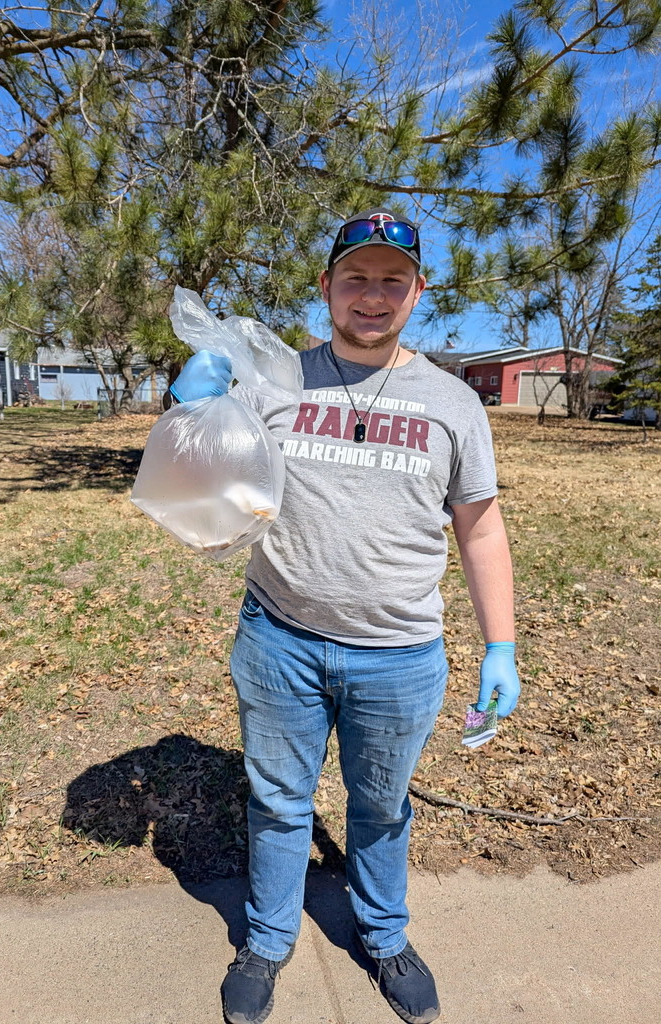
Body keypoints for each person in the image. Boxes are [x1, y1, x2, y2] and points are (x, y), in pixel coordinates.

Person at [168, 209, 520, 1024]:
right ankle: (265, 938)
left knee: (380, 806)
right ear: (325, 287)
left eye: (391, 280)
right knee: (279, 802)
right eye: (355, 277)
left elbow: (480, 524)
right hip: (277, 641)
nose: (372, 295)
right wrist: (186, 402)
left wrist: (499, 645)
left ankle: (384, 935)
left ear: (417, 292)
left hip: (399, 656)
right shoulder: (275, 381)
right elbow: (195, 478)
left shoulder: (451, 403)